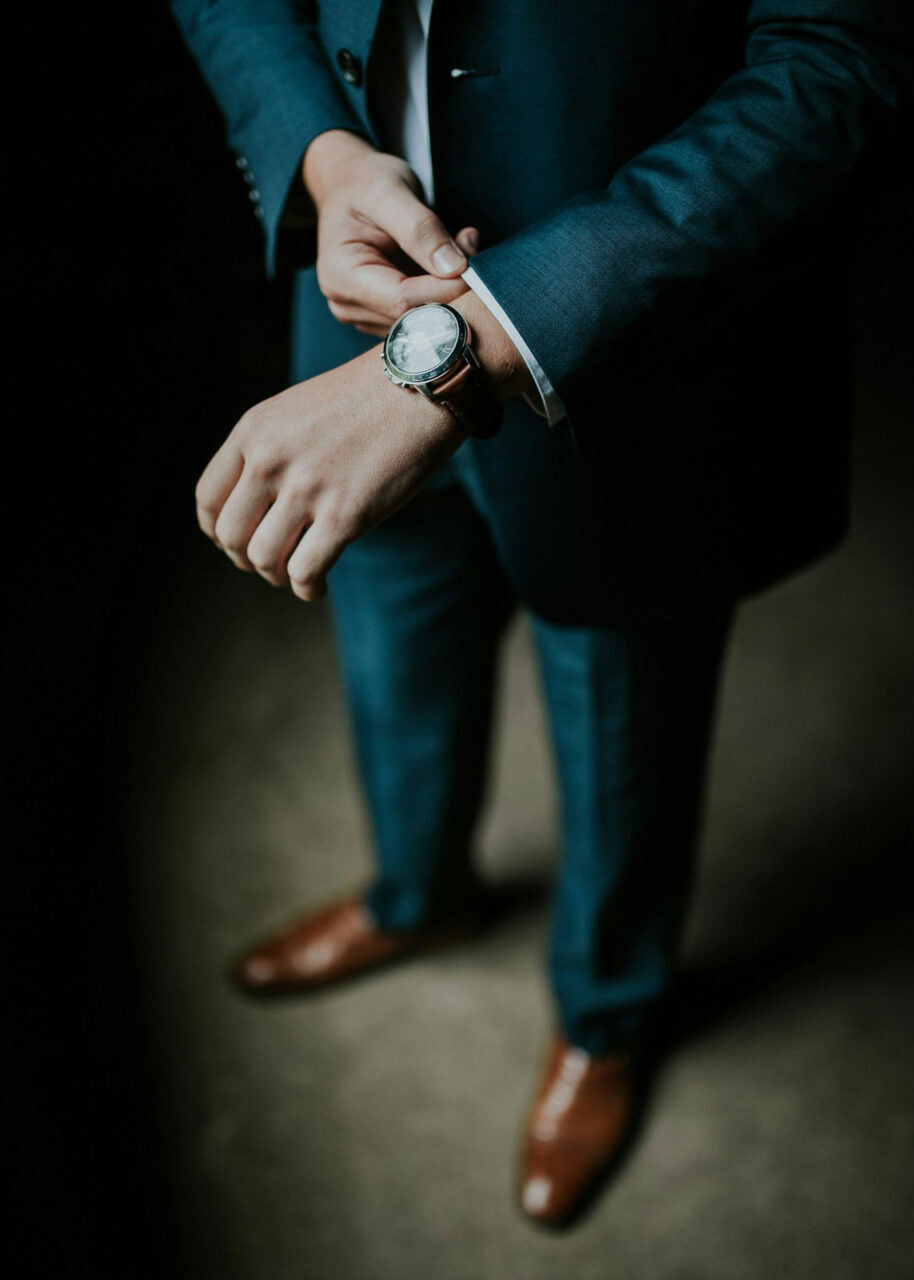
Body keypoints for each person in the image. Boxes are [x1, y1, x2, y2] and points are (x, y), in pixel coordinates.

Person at [170, 0, 911, 1228]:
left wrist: (475, 339)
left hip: (636, 347)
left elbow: (841, 50)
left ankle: (603, 1016)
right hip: (344, 298)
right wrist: (323, 147)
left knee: (623, 706)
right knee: (390, 642)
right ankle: (417, 893)